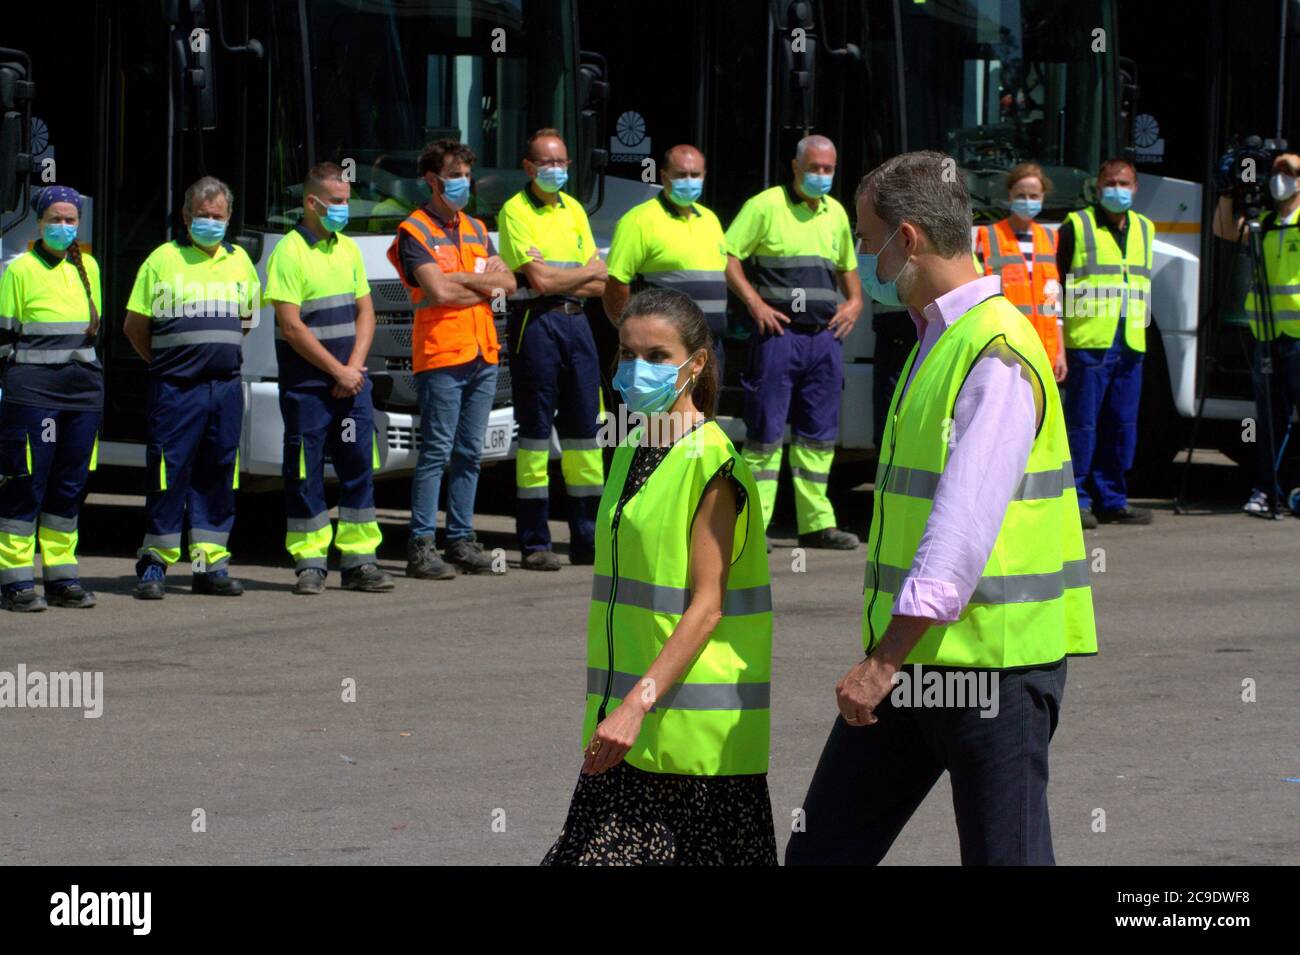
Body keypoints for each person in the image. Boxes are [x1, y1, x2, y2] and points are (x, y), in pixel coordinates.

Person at [787, 151, 1096, 866]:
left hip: (993, 670)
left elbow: (962, 527)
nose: (864, 258)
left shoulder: (994, 350)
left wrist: (882, 659)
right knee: (819, 851)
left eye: (868, 241)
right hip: (916, 661)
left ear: (909, 239)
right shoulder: (938, 337)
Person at [543, 288, 775, 865]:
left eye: (656, 357)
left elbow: (707, 606)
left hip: (691, 748)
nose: (636, 369)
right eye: (626, 354)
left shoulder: (712, 463)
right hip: (628, 734)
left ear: (695, 364)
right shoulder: (633, 448)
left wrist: (635, 704)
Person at [724, 134, 863, 550]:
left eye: (828, 169)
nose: (822, 176)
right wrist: (754, 304)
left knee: (819, 436)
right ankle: (753, 526)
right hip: (778, 336)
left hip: (823, 340)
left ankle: (817, 524)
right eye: (815, 168)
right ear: (796, 167)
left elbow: (847, 267)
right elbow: (728, 256)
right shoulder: (764, 206)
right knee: (765, 434)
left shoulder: (835, 212)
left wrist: (855, 302)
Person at [124, 176, 260, 599]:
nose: (210, 222)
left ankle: (207, 566)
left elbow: (247, 324)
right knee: (168, 475)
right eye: (202, 216)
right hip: (176, 389)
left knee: (217, 473)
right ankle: (155, 565)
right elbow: (134, 327)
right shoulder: (162, 260)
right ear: (185, 217)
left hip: (223, 389)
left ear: (229, 218)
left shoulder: (241, 262)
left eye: (217, 216)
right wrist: (166, 365)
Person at [387, 139, 516, 578]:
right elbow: (436, 292)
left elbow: (509, 285)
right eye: (455, 174)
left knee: (470, 452)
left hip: (483, 353)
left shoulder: (477, 229)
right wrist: (478, 283)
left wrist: (458, 280)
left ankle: (460, 539)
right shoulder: (414, 231)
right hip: (441, 354)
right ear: (432, 180)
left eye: (466, 174)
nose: (463, 182)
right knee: (437, 452)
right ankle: (421, 545)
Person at [263, 162, 394, 595]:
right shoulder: (289, 252)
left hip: (350, 388)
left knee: (358, 466)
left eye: (345, 201)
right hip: (309, 390)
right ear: (311, 202)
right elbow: (291, 326)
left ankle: (359, 563)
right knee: (305, 472)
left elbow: (366, 313)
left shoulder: (348, 249)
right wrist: (337, 370)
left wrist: (353, 369)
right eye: (336, 202)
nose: (343, 209)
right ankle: (310, 562)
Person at [496, 128, 607, 571]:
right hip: (535, 322)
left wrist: (577, 276)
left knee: (585, 436)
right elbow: (539, 282)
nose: (556, 170)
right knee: (536, 436)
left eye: (562, 163)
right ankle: (535, 541)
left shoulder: (575, 208)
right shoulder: (514, 211)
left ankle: (587, 539)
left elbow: (602, 281)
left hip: (577, 323)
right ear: (528, 166)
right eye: (547, 163)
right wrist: (580, 273)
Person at [0, 186, 102, 611]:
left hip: (82, 395)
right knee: (27, 483)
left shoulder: (90, 267)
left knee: (68, 487)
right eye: (56, 220)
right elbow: (5, 338)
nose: (64, 227)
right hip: (33, 395)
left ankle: (62, 576)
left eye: (71, 220)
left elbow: (93, 331)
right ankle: (15, 580)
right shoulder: (18, 270)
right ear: (40, 222)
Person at [1057, 157, 1155, 528]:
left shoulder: (1145, 228)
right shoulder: (1077, 225)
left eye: (1125, 184)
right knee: (1083, 425)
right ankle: (1078, 500)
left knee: (1121, 425)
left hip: (1130, 340)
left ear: (1135, 188)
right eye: (1111, 183)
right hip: (1090, 340)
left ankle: (1113, 498)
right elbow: (1059, 282)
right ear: (1098, 189)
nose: (1118, 190)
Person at [1213, 152, 1300, 516]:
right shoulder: (1265, 222)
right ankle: (1267, 489)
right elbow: (1224, 230)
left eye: (1289, 171)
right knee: (1268, 420)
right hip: (1268, 333)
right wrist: (1228, 192)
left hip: (1296, 334)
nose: (1280, 177)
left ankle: (1290, 485)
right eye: (1276, 170)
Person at [603, 144, 728, 372]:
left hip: (710, 349)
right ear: (663, 175)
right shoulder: (639, 220)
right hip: (663, 354)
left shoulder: (710, 220)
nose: (688, 181)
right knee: (661, 409)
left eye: (695, 175)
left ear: (704, 176)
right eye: (681, 175)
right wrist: (633, 338)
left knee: (702, 410)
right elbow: (615, 283)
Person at [975, 161, 1067, 383]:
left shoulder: (1050, 238)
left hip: (1043, 349)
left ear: (1043, 198)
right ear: (1010, 195)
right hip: (1004, 349)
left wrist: (1061, 352)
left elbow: (1054, 303)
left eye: (1034, 196)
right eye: (1021, 195)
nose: (1028, 201)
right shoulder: (989, 237)